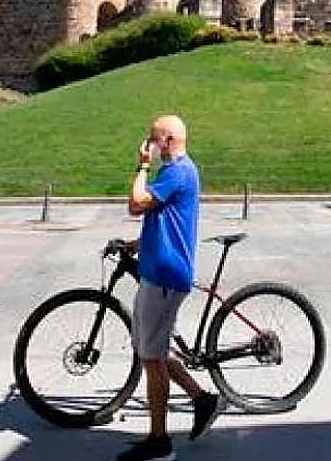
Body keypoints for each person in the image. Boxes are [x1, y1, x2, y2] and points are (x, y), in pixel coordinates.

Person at [119, 114, 222, 461]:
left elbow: (136, 204)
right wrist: (136, 245)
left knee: (151, 359)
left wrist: (141, 165)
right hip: (157, 272)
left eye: (153, 139)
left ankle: (160, 442)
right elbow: (162, 218)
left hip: (164, 278)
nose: (149, 144)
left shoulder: (176, 171)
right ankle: (203, 399)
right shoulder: (179, 171)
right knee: (155, 351)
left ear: (169, 140)